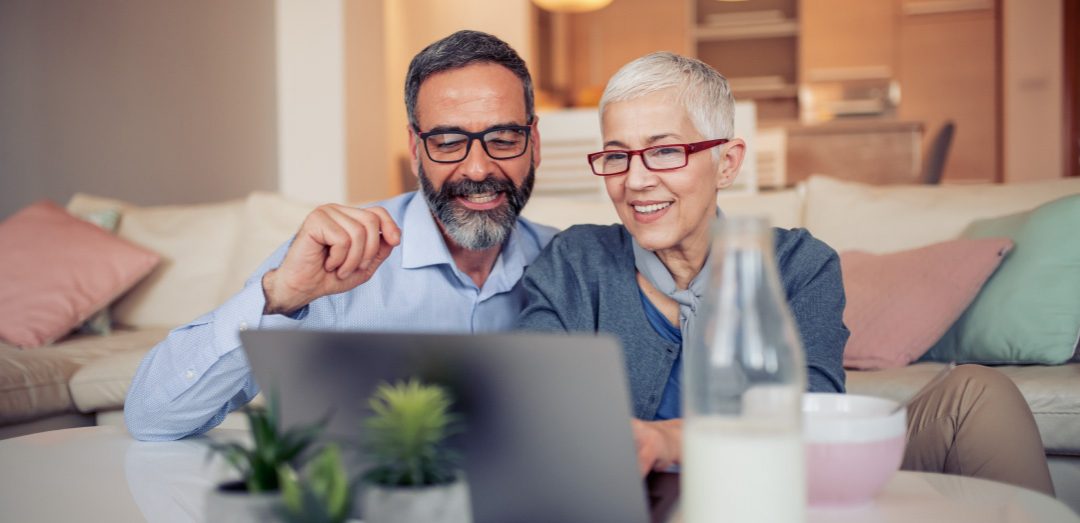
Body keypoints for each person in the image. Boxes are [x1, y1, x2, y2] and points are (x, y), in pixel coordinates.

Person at [517, 51, 1055, 496]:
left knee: (979, 393)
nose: (635, 181)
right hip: (641, 507)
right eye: (616, 157)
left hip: (785, 494)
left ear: (726, 163)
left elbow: (809, 417)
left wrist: (670, 441)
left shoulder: (799, 264)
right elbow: (530, 407)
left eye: (665, 152)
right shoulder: (574, 262)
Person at [124, 30, 556, 441]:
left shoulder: (568, 263)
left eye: (503, 138)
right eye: (447, 142)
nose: (478, 169)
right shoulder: (337, 257)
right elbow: (152, 419)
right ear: (415, 149)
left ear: (534, 141)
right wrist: (278, 294)